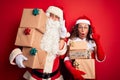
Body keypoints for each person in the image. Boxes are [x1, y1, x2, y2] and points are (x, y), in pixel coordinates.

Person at [9, 6, 68, 80]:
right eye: (51, 15)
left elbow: (61, 54)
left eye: (57, 17)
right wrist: (17, 55)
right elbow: (21, 44)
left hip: (54, 78)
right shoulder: (35, 32)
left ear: (60, 21)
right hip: (34, 77)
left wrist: (62, 37)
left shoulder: (61, 37)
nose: (53, 19)